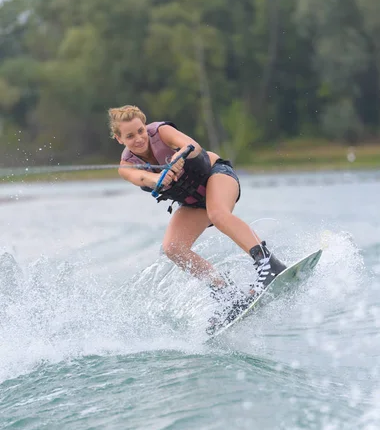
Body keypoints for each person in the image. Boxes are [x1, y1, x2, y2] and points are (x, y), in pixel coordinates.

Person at [108, 105, 286, 324]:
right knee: (172, 248)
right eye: (129, 136)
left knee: (218, 214)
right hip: (195, 203)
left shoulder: (161, 132)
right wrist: (158, 179)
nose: (138, 138)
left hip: (216, 176)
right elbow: (143, 179)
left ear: (145, 128)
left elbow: (192, 146)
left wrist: (181, 155)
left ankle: (269, 264)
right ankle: (226, 293)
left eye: (140, 131)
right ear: (119, 138)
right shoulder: (126, 167)